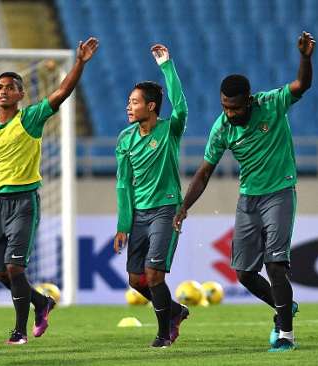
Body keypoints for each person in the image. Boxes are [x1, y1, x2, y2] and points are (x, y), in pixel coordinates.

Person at [173, 32, 315, 352]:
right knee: (244, 272)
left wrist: (305, 58)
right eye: (225, 107)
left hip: (279, 191)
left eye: (235, 108)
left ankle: (286, 335)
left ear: (249, 99)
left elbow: (301, 86)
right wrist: (184, 207)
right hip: (249, 197)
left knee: (275, 263)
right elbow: (204, 171)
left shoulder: (272, 103)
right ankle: (284, 306)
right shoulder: (222, 127)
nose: (230, 113)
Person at [0, 37, 98, 345]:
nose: (3, 91)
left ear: (20, 94)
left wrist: (79, 62)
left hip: (26, 200)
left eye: (10, 87)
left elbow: (62, 92)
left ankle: (19, 332)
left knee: (15, 267)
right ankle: (41, 303)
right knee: (2, 274)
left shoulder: (29, 118)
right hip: (0, 204)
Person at [113, 44, 189, 348]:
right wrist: (124, 224)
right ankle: (175, 311)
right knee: (136, 280)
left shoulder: (170, 130)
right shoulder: (125, 139)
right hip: (140, 214)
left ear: (152, 106)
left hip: (166, 210)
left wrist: (167, 66)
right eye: (129, 102)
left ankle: (163, 333)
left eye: (135, 102)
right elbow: (123, 184)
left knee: (154, 274)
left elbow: (181, 106)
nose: (129, 107)